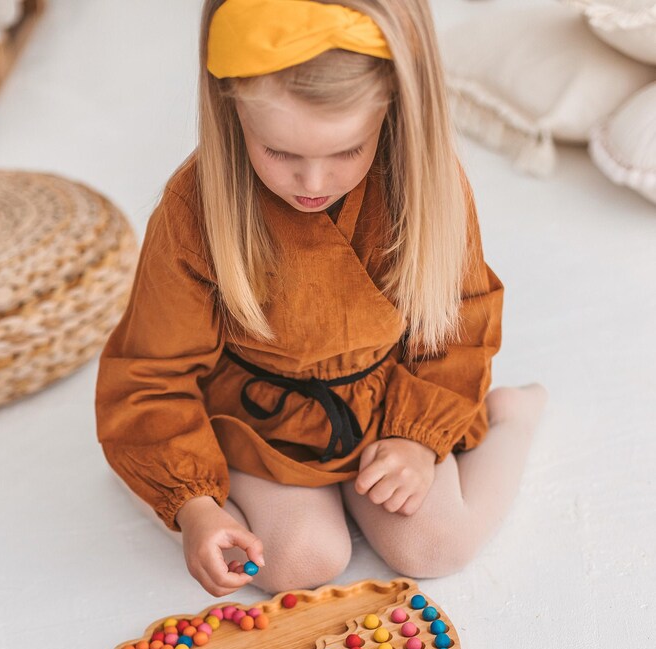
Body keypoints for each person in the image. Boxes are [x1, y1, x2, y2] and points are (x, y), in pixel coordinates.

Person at [96, 0, 547, 597]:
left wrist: (416, 439)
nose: (312, 184)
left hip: (389, 400)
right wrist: (194, 506)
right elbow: (151, 374)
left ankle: (512, 415)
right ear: (232, 109)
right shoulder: (194, 212)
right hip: (262, 425)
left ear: (392, 110)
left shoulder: (423, 184)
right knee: (301, 561)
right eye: (280, 152)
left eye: (346, 151)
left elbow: (459, 320)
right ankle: (195, 486)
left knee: (438, 546)